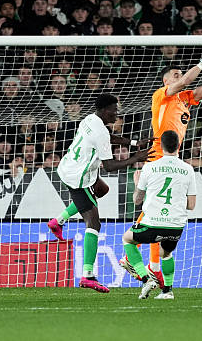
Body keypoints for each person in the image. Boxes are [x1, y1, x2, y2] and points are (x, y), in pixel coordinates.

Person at [119, 52, 202, 286]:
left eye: (180, 74)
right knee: (154, 210)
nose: (180, 77)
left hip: (173, 155)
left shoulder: (185, 98)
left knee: (158, 214)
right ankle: (141, 261)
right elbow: (185, 81)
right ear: (166, 81)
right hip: (158, 155)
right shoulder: (161, 95)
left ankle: (152, 266)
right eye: (175, 75)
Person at [47, 93, 152, 293]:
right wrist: (136, 158)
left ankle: (58, 221)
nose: (117, 114)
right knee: (94, 223)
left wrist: (133, 144)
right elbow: (110, 166)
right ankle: (87, 276)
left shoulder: (90, 119)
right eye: (114, 110)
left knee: (102, 189)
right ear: (104, 110)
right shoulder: (100, 132)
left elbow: (108, 137)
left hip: (70, 166)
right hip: (78, 178)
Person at [122, 130, 196, 299]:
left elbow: (137, 201)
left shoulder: (149, 167)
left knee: (127, 239)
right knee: (165, 253)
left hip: (153, 224)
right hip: (175, 226)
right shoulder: (188, 169)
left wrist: (137, 184)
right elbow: (191, 205)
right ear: (178, 146)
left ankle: (146, 279)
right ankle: (167, 291)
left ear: (161, 146)